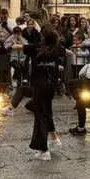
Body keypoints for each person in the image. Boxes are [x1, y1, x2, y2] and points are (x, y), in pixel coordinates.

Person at [27, 26, 64, 160]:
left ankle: (44, 149)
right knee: (46, 112)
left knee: (40, 116)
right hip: (51, 86)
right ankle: (54, 139)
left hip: (39, 86)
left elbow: (19, 46)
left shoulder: (37, 48)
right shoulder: (57, 49)